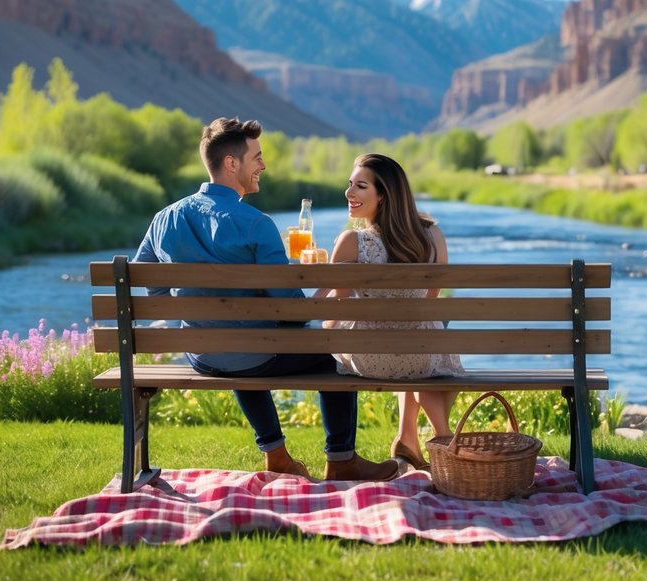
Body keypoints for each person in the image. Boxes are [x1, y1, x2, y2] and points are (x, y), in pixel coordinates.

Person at [134, 117, 397, 482]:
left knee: (240, 340)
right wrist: (317, 302)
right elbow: (289, 312)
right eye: (256, 157)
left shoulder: (164, 218)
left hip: (201, 355)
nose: (263, 165)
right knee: (335, 351)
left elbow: (153, 289)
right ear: (231, 164)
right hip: (255, 354)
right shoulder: (257, 224)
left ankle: (277, 456)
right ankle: (341, 459)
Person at [315, 153, 463, 471]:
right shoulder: (433, 236)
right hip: (422, 356)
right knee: (422, 341)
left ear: (382, 196)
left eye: (360, 186)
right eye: (350, 184)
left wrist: (322, 288)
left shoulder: (351, 241)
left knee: (400, 343)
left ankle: (412, 439)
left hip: (369, 358)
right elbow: (430, 302)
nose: (349, 193)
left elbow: (330, 310)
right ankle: (432, 436)